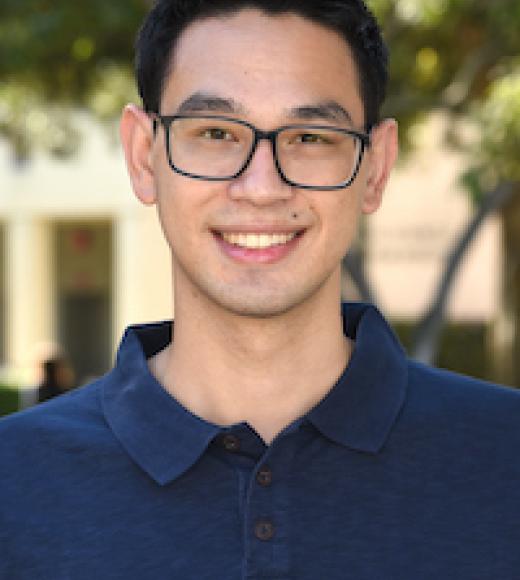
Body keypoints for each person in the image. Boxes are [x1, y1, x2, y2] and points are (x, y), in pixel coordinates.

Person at [1, 1, 519, 578]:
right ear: (144, 155)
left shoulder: (508, 460)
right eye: (216, 132)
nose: (262, 186)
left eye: (311, 137)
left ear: (375, 168)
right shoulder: (12, 481)